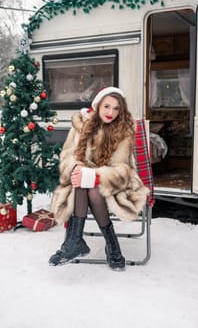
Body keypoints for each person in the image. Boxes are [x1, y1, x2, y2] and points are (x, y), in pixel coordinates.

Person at [49, 87, 149, 270]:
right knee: (81, 180)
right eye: (107, 106)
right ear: (97, 106)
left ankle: (93, 243)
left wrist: (96, 176)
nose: (111, 112)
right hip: (82, 181)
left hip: (116, 183)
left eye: (116, 108)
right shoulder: (81, 125)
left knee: (92, 188)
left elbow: (122, 169)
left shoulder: (124, 131)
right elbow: (67, 156)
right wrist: (77, 167)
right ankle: (92, 244)